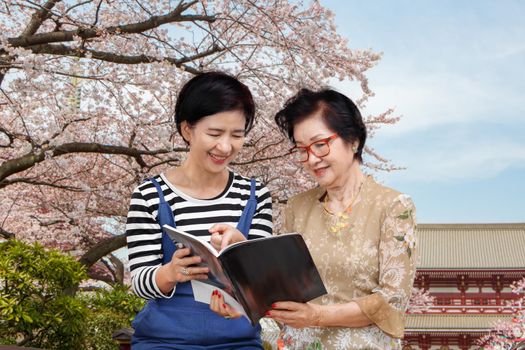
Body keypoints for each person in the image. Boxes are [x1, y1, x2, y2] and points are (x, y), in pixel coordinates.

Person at [126, 72, 273, 349]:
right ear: (187, 130)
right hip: (165, 340)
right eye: (214, 134)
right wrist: (170, 272)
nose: (226, 146)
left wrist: (244, 248)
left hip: (237, 340)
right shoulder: (149, 195)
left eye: (237, 135)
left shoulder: (255, 195)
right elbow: (139, 283)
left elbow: (263, 288)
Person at [269, 88, 417, 350]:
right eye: (302, 149)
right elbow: (284, 289)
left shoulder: (393, 206)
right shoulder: (296, 207)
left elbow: (393, 299)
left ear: (354, 140)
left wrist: (317, 316)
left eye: (320, 144)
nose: (311, 159)